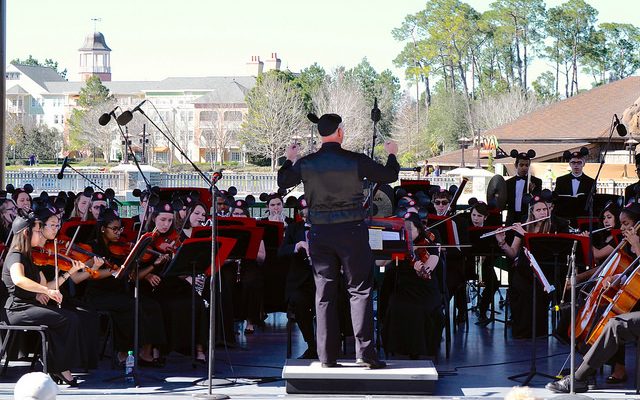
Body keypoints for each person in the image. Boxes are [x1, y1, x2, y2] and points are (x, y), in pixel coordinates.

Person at [278, 112, 399, 369]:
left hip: (320, 233)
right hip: (352, 231)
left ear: (321, 134)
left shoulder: (307, 163)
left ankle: (326, 357)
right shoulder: (355, 160)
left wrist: (289, 160)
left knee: (324, 294)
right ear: (340, 132)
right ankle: (364, 354)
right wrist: (392, 154)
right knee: (360, 290)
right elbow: (390, 176)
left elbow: (283, 181)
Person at [2, 211, 85, 386]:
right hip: (18, 309)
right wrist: (45, 292)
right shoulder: (15, 255)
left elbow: (48, 285)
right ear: (26, 233)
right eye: (38, 231)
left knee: (67, 318)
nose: (41, 234)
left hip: (28, 307)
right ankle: (60, 368)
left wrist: (69, 273)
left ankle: (58, 367)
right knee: (67, 319)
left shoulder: (29, 256)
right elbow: (19, 279)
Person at [381, 212, 443, 358]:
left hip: (425, 290)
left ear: (419, 230)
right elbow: (379, 263)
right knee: (396, 305)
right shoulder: (398, 244)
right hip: (403, 288)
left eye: (411, 229)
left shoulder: (430, 243)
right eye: (404, 230)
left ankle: (419, 349)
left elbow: (428, 270)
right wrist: (392, 251)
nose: (407, 233)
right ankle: (399, 348)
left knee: (419, 309)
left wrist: (420, 269)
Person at [278, 197, 316, 359]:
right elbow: (281, 252)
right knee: (299, 304)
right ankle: (311, 344)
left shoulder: (327, 228)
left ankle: (330, 343)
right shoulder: (294, 229)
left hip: (323, 278)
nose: (307, 216)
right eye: (304, 214)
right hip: (301, 282)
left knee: (333, 303)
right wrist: (297, 246)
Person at [553, 147, 594, 223]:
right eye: (573, 163)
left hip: (582, 216)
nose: (576, 165)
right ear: (569, 164)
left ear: (584, 163)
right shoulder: (561, 180)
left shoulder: (591, 182)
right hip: (564, 216)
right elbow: (557, 199)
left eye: (579, 163)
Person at [505, 149, 542, 224]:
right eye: (521, 165)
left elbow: (538, 200)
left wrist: (533, 191)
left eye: (526, 165)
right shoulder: (508, 183)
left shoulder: (536, 182)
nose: (524, 168)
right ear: (516, 165)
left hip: (527, 217)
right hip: (512, 217)